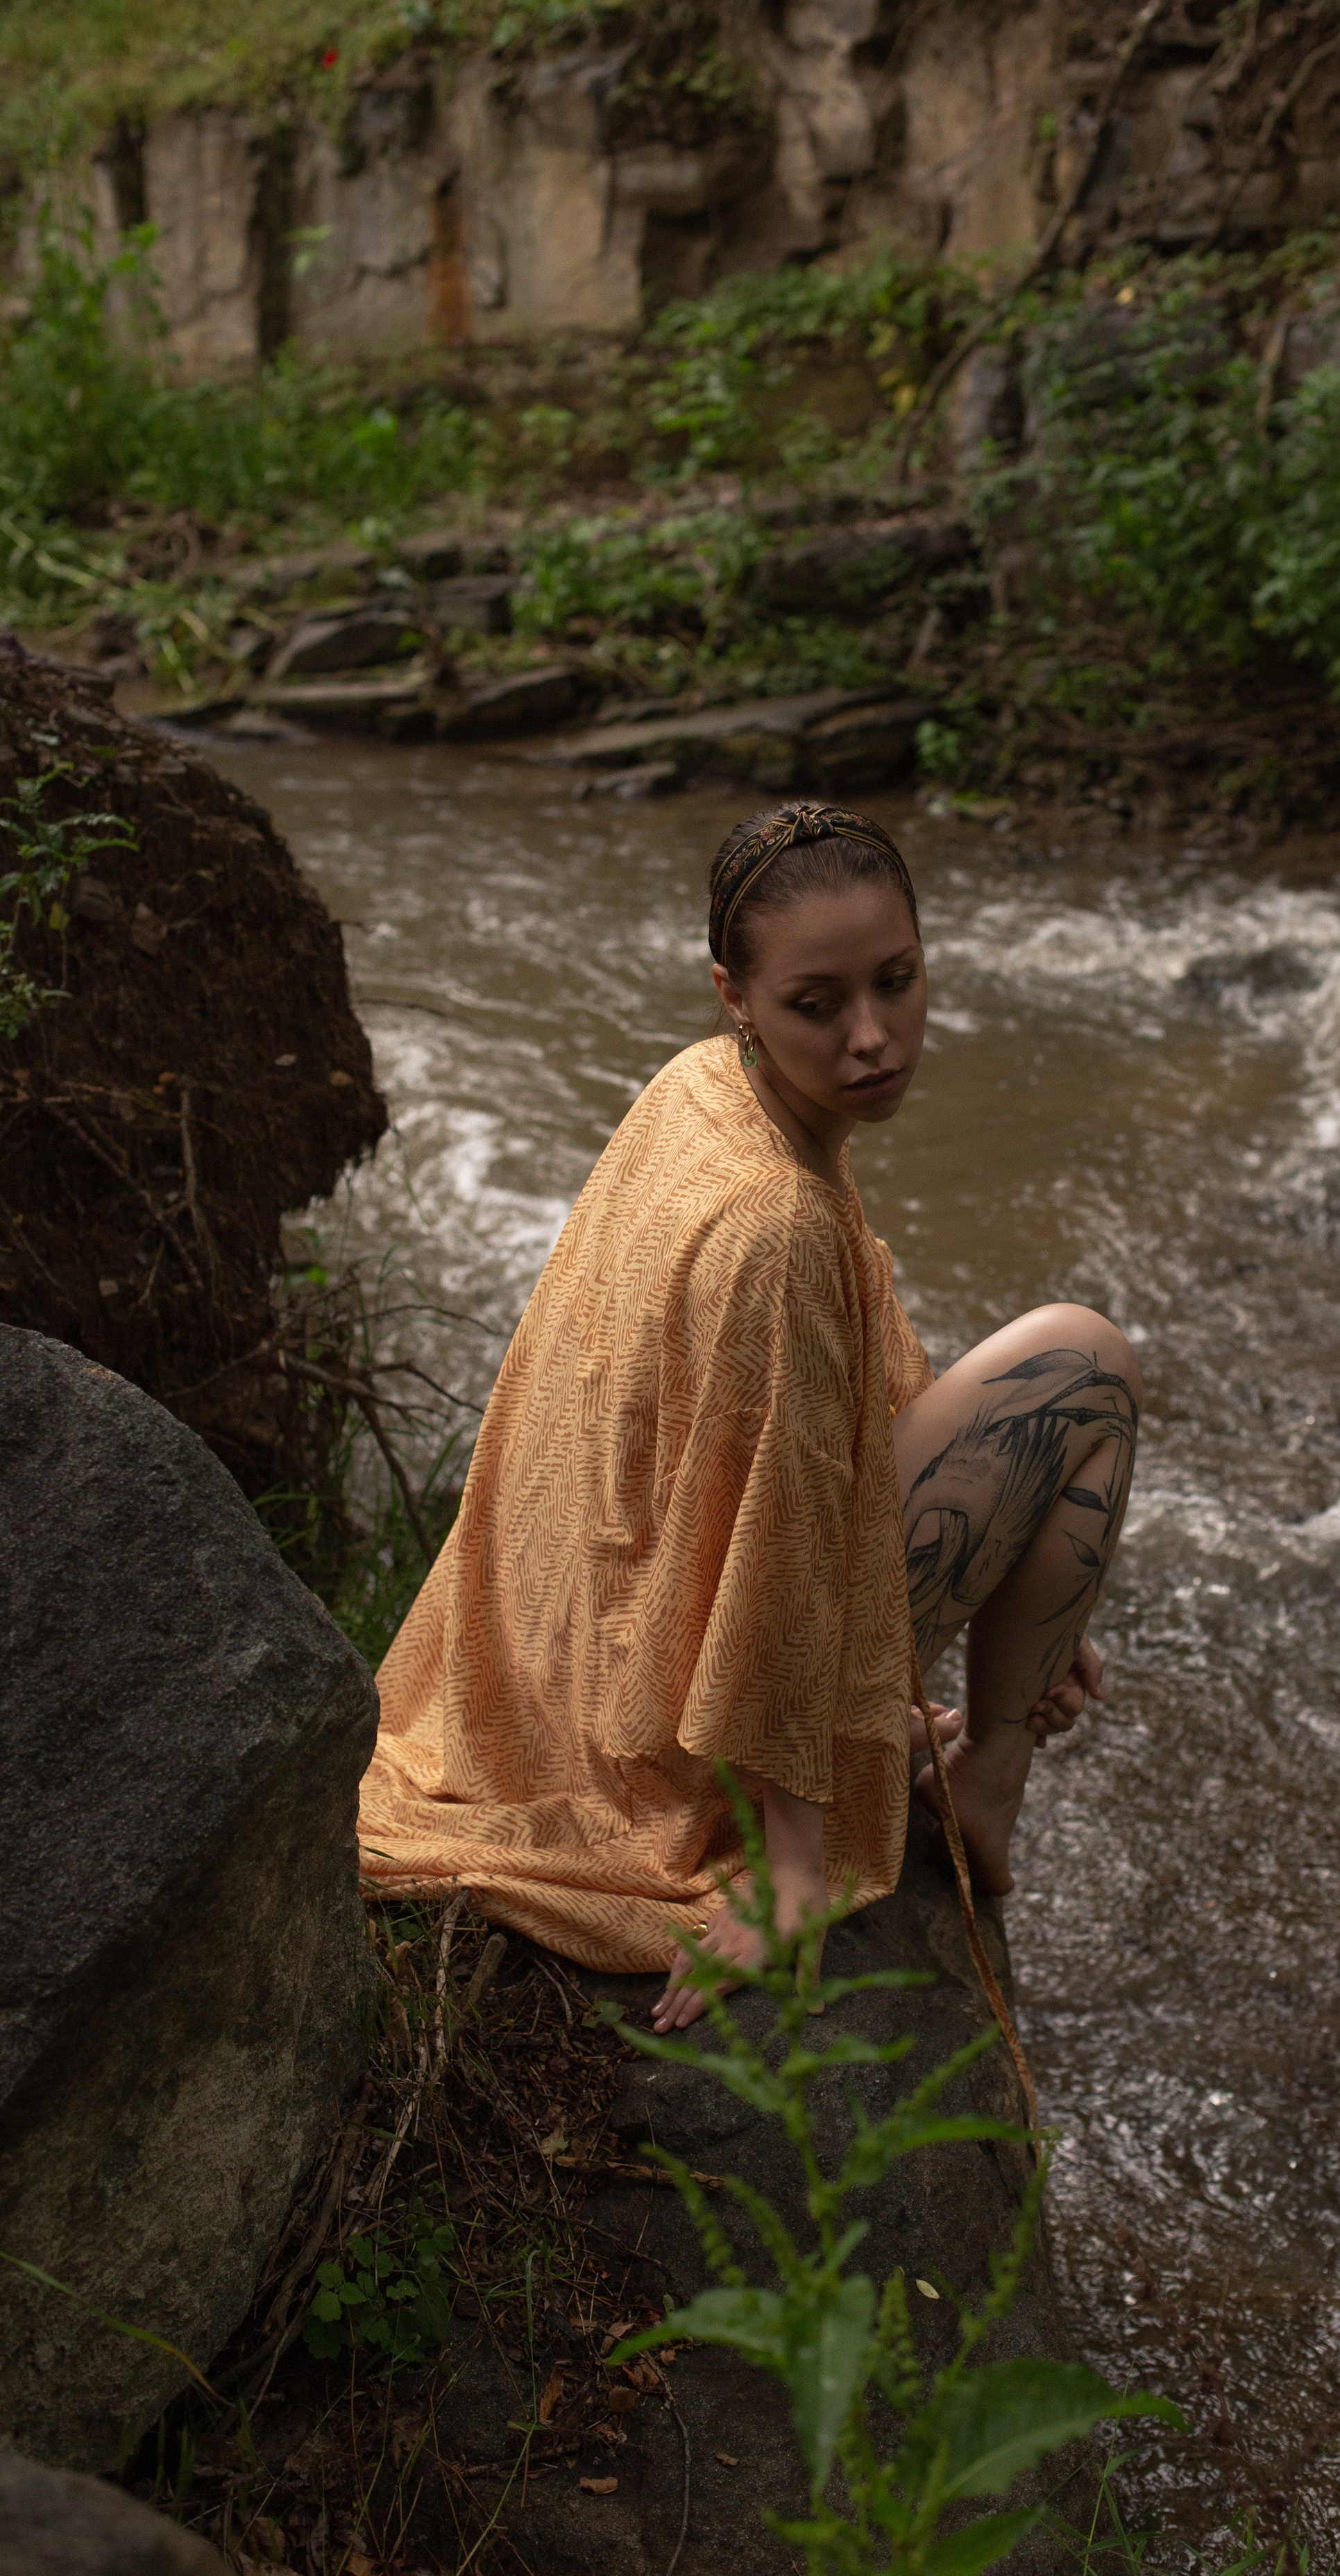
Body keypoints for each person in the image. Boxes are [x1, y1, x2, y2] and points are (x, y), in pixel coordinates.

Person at [357, 801, 1141, 2032]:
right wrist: (795, 1864)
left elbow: (829, 1388)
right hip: (668, 1700)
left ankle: (985, 1737)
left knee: (1061, 1402)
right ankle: (988, 1781)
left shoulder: (706, 1086)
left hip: (586, 1639)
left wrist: (1027, 1574)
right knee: (1087, 1365)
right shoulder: (770, 1222)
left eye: (897, 982)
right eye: (817, 1005)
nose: (871, 1037)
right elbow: (780, 1541)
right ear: (736, 994)